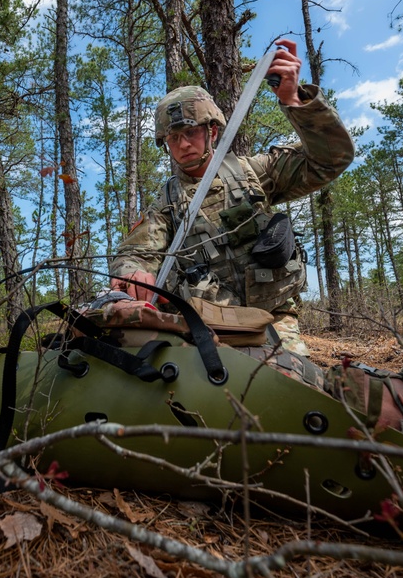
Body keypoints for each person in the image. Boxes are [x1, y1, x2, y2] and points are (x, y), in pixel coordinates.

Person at [108, 39, 355, 356]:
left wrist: (296, 101)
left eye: (191, 132)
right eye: (173, 137)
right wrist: (132, 272)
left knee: (292, 385)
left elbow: (331, 159)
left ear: (211, 131)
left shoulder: (253, 172)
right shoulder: (166, 203)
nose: (183, 145)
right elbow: (138, 252)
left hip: (273, 317)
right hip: (210, 325)